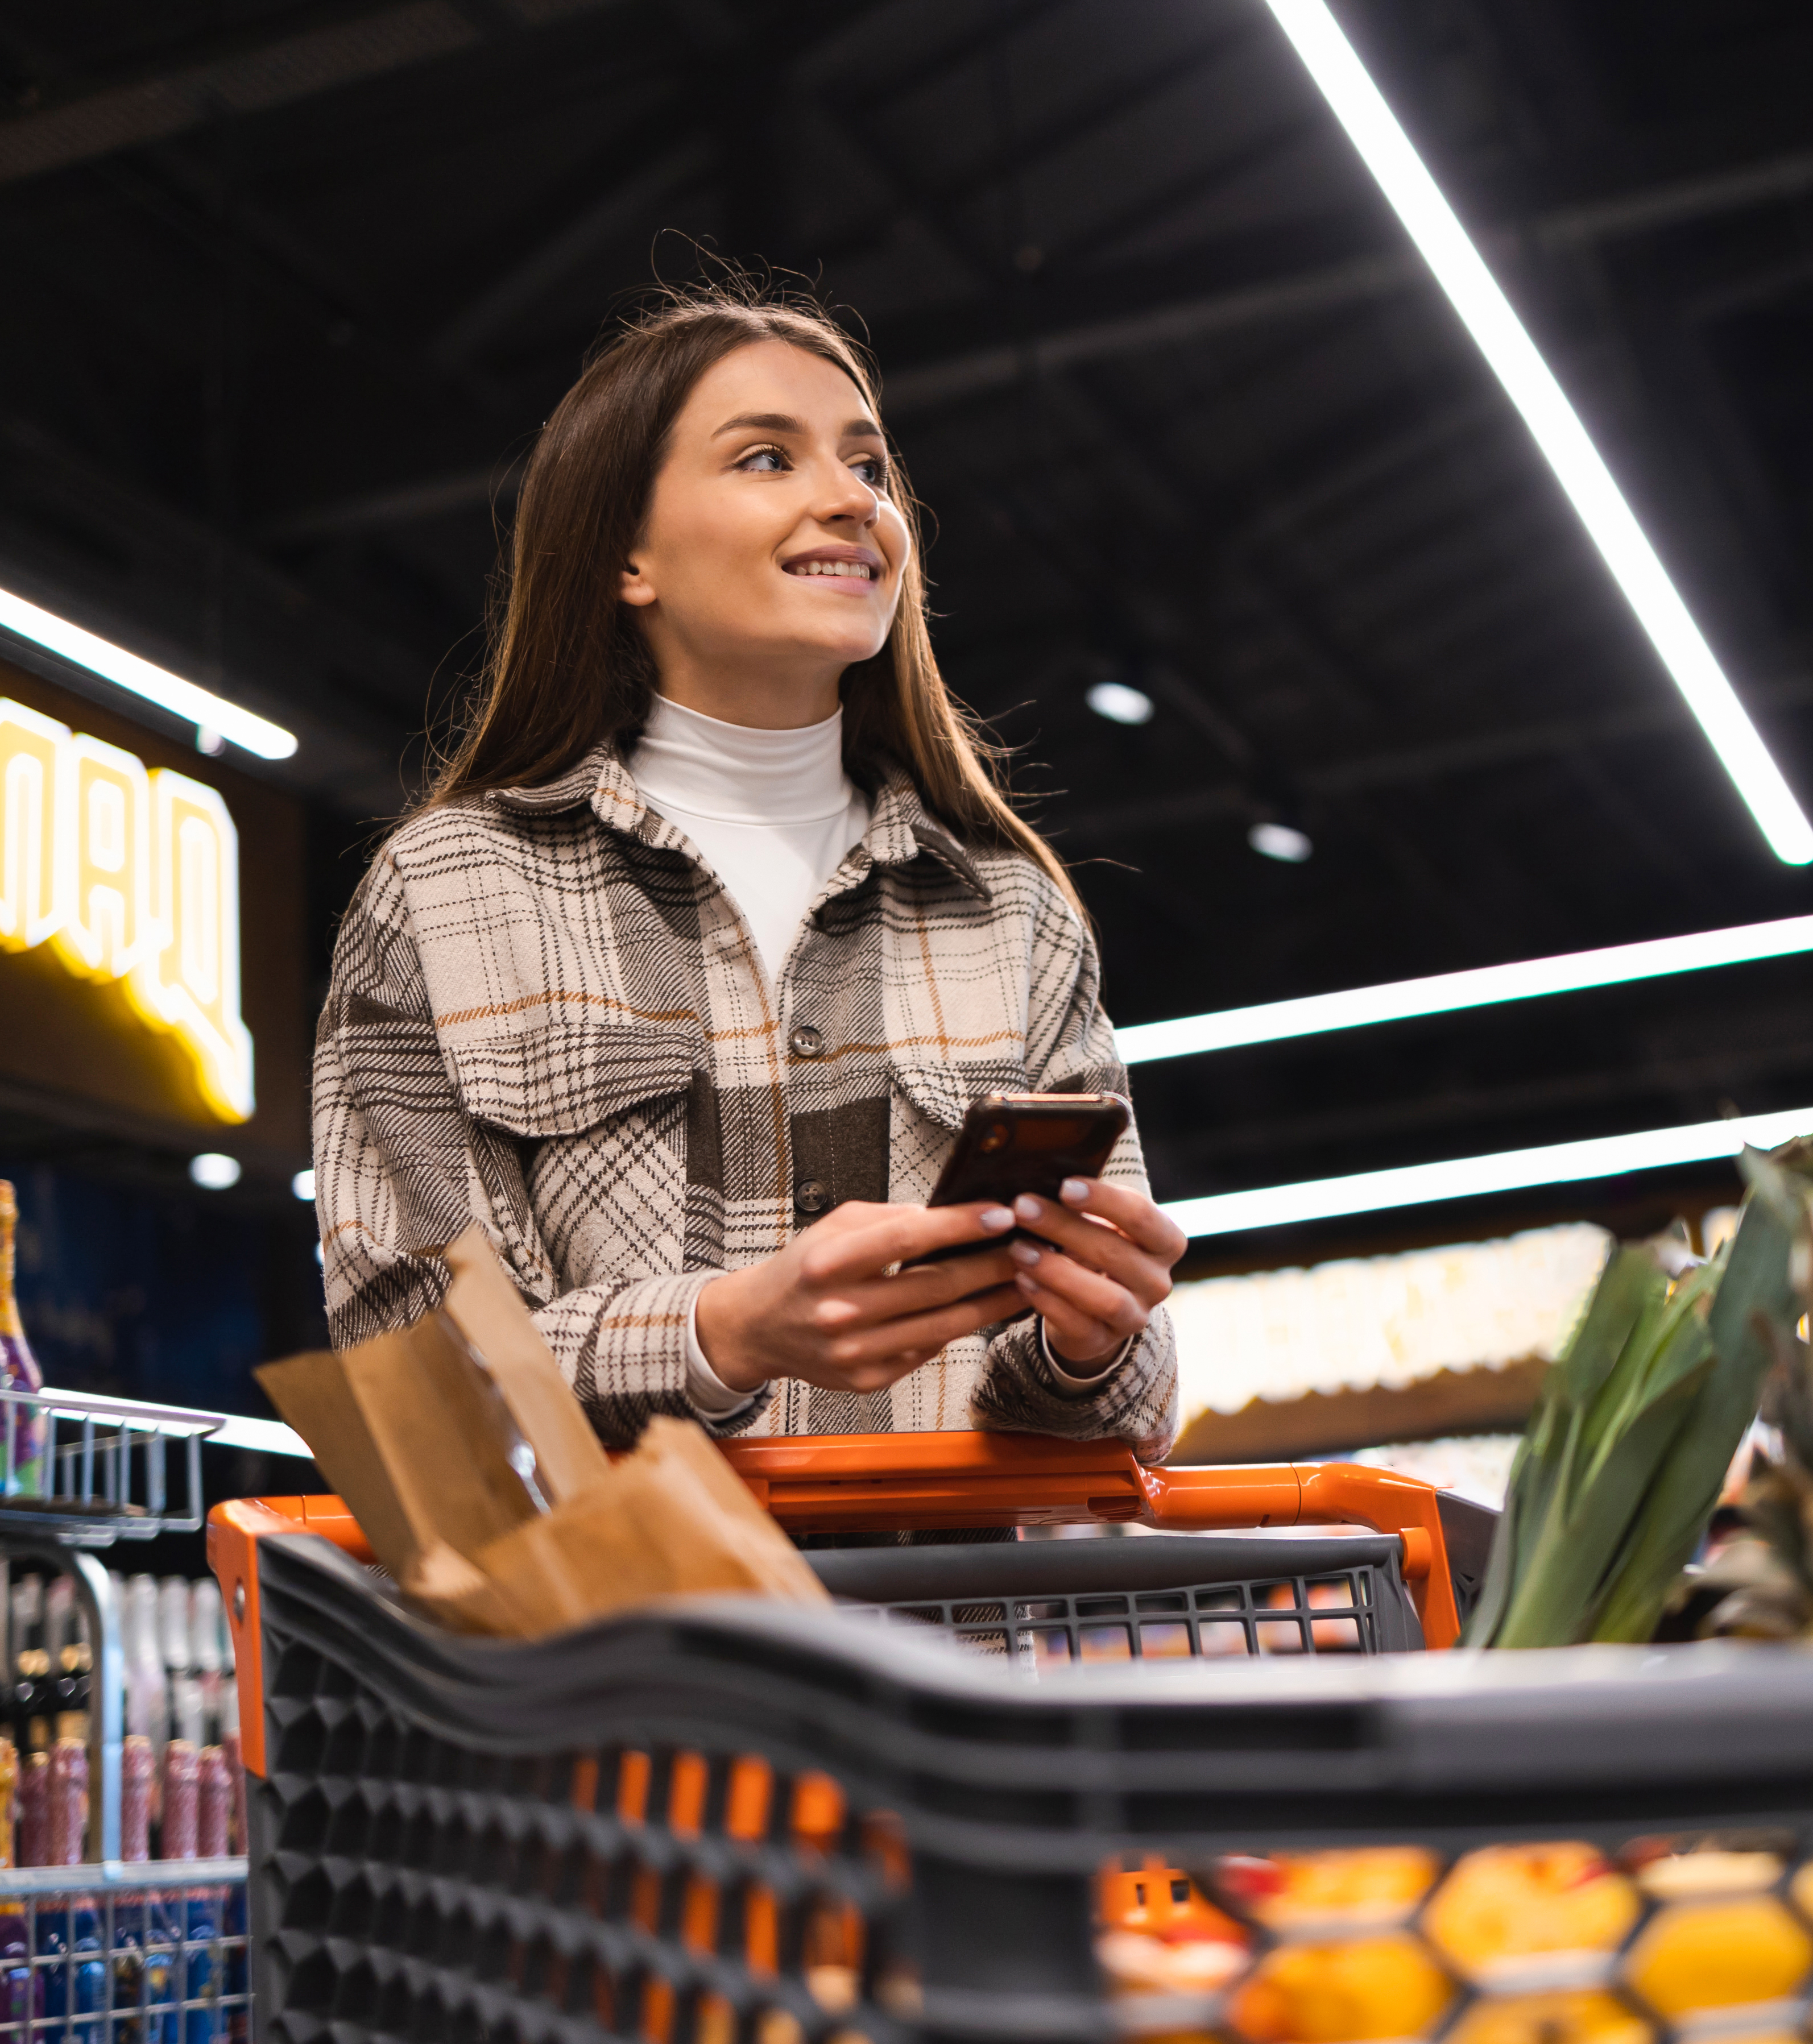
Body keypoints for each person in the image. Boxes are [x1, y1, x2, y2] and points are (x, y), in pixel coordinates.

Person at [311, 284, 1183, 1457]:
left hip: (958, 1582)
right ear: (626, 556)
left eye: (868, 466)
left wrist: (1095, 1347)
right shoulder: (446, 892)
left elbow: (1136, 1415)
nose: (854, 500)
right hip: (632, 1586)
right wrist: (721, 1335)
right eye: (768, 458)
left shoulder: (1007, 909)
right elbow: (409, 1394)